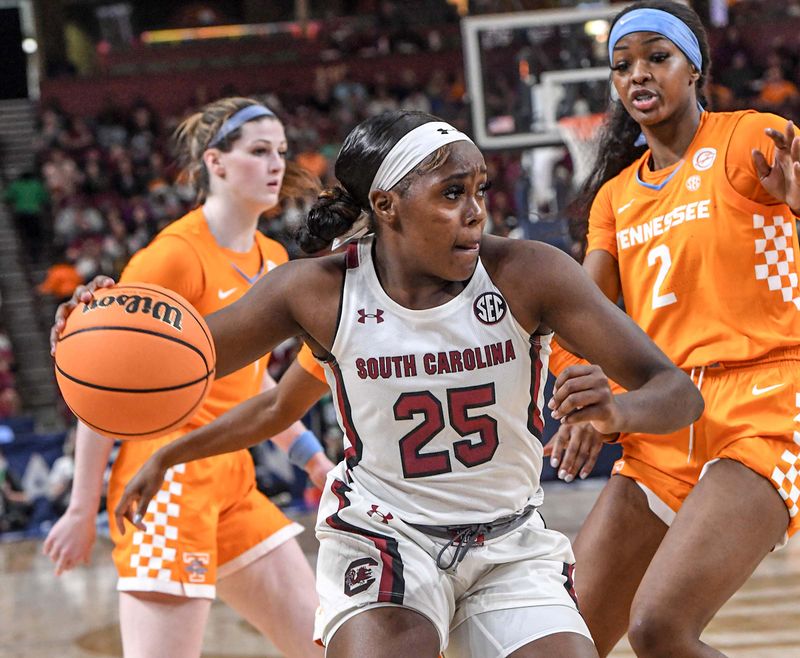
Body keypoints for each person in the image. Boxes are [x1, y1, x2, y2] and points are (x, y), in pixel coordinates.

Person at [58, 109, 705, 658]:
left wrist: (618, 413)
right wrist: (103, 326)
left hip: (508, 541)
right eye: (452, 194)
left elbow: (678, 391)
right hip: (384, 535)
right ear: (387, 206)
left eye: (480, 190)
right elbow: (185, 361)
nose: (475, 212)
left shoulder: (527, 272)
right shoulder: (318, 294)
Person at [544, 2, 800, 656]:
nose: (639, 76)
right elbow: (578, 311)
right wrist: (578, 394)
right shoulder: (614, 198)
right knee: (558, 639)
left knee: (659, 627)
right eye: (622, 65)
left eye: (658, 57)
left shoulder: (749, 138)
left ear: (695, 68)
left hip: (766, 401)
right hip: (666, 417)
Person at [43, 97, 334, 658]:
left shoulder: (274, 258)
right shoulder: (171, 257)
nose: (276, 164)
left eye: (280, 151)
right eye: (257, 151)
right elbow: (107, 388)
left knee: (324, 645)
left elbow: (255, 384)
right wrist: (81, 509)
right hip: (164, 480)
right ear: (215, 162)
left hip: (232, 477)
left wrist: (315, 461)